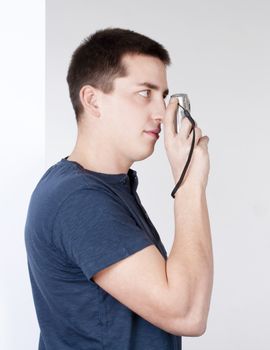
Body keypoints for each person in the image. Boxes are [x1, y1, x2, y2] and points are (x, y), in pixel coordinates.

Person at [24, 28, 212, 350]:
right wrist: (189, 181)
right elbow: (187, 313)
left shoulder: (107, 187)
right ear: (93, 100)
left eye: (163, 96)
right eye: (144, 93)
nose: (161, 114)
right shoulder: (78, 200)